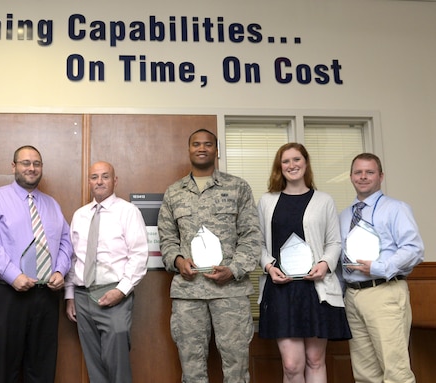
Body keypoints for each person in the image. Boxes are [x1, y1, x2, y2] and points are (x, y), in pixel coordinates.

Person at [157, 128, 261, 383]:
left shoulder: (238, 188)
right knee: (191, 367)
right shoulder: (174, 192)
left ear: (216, 150)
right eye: (196, 144)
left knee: (236, 366)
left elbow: (251, 236)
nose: (201, 148)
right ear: (189, 149)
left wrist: (234, 269)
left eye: (207, 144)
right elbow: (167, 238)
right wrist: (178, 261)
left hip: (230, 293)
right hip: (188, 294)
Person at [0, 145, 73, 383]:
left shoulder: (52, 205)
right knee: (3, 369)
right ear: (14, 166)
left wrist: (60, 270)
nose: (31, 168)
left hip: (45, 296)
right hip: (7, 295)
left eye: (36, 163)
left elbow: (66, 241)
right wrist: (13, 275)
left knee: (41, 370)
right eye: (25, 162)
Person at [256, 143, 351, 383]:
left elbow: (334, 242)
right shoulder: (267, 201)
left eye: (297, 159)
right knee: (291, 365)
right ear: (280, 167)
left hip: (316, 289)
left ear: (306, 163)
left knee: (315, 360)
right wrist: (268, 266)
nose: (292, 165)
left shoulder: (324, 200)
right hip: (280, 288)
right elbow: (257, 242)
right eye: (286, 161)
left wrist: (325, 265)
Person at [339, 153, 424, 383]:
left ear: (381, 176)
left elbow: (414, 249)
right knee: (365, 374)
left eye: (370, 172)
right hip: (353, 295)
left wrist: (379, 267)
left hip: (384, 292)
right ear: (351, 177)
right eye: (358, 172)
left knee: (395, 371)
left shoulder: (396, 209)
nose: (363, 177)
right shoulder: (345, 216)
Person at [65, 161, 149, 383]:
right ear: (89, 181)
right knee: (94, 364)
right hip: (82, 296)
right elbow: (73, 258)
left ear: (115, 180)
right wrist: (70, 295)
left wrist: (121, 291)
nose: (99, 182)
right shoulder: (80, 215)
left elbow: (139, 255)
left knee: (117, 364)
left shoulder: (128, 211)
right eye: (94, 177)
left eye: (105, 176)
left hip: (114, 294)